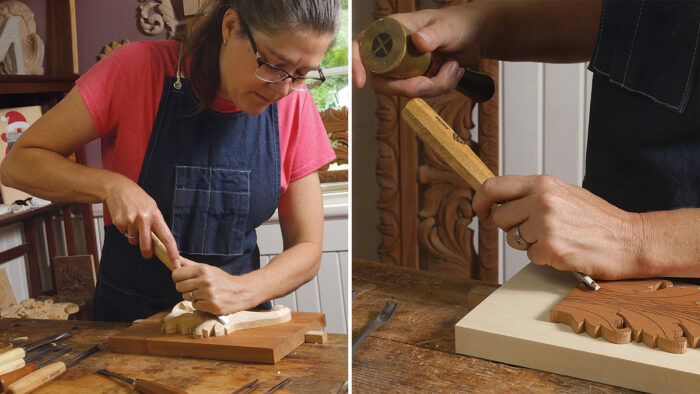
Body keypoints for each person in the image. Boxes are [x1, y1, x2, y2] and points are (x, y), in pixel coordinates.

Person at [1, 0, 341, 321]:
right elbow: (18, 163)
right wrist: (111, 186)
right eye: (273, 64)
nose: (283, 90)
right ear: (231, 26)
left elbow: (308, 248)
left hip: (237, 322)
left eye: (301, 74)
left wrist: (242, 290)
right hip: (130, 323)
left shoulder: (294, 104)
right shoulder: (137, 69)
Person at [354, 0, 700, 280]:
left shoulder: (626, 237)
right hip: (599, 258)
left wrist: (633, 237)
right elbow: (645, 17)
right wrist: (479, 24)